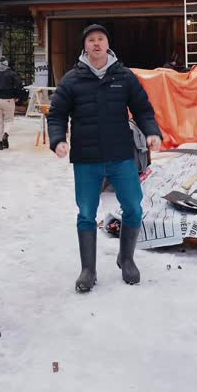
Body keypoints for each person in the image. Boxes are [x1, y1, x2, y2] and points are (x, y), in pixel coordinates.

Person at [48, 23, 162, 293]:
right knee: (86, 213)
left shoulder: (124, 76)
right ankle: (88, 269)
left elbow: (143, 109)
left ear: (107, 44)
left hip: (121, 156)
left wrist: (151, 132)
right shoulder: (72, 79)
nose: (96, 43)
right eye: (91, 40)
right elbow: (57, 114)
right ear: (85, 46)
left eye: (100, 39)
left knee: (133, 207)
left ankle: (127, 258)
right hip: (86, 159)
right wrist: (58, 140)